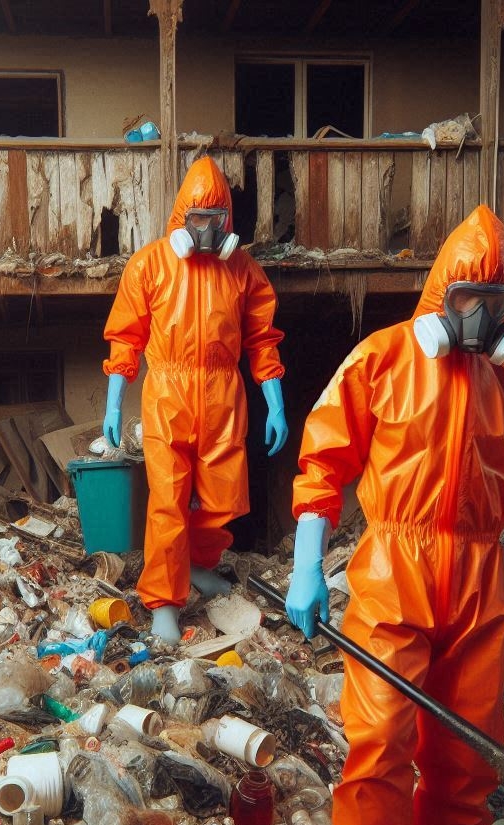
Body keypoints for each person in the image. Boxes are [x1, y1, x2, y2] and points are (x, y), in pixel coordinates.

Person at [285, 205, 504, 825]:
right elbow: (324, 462)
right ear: (442, 294)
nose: (479, 317)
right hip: (394, 571)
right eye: (468, 298)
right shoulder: (383, 360)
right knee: (381, 738)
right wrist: (307, 566)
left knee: (466, 755)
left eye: (494, 302)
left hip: (479, 584)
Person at [102, 156, 288, 643]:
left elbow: (262, 339)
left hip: (224, 394)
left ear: (228, 222)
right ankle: (164, 600)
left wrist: (276, 399)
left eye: (216, 221)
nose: (206, 231)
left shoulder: (243, 270)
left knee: (220, 498)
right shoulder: (150, 265)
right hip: (168, 394)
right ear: (181, 220)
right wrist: (113, 402)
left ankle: (201, 567)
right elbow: (127, 338)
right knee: (167, 500)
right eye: (197, 221)